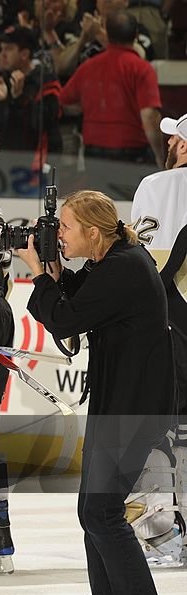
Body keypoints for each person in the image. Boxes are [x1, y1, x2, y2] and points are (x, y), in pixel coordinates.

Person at [17, 190, 172, 595]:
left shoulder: (124, 266)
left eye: (65, 228)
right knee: (93, 511)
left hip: (134, 407)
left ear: (92, 230)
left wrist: (41, 276)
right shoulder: (114, 262)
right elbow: (78, 303)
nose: (59, 235)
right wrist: (55, 274)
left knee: (101, 512)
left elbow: (65, 320)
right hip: (120, 403)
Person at [126, 112, 187, 565]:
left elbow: (140, 260)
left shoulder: (156, 186)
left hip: (166, 322)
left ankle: (164, 532)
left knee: (159, 426)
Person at [59, 11, 163, 167]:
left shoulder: (88, 67)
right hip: (132, 152)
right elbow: (149, 115)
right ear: (135, 36)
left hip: (94, 153)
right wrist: (159, 155)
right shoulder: (142, 69)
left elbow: (64, 102)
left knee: (98, 192)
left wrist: (87, 107)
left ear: (107, 33)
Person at [0, 26, 62, 156]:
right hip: (5, 159)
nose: (2, 55)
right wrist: (1, 101)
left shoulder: (47, 82)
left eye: (8, 49)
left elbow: (42, 125)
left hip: (37, 162)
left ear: (24, 54)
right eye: (1, 49)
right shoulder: (3, 80)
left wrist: (18, 99)